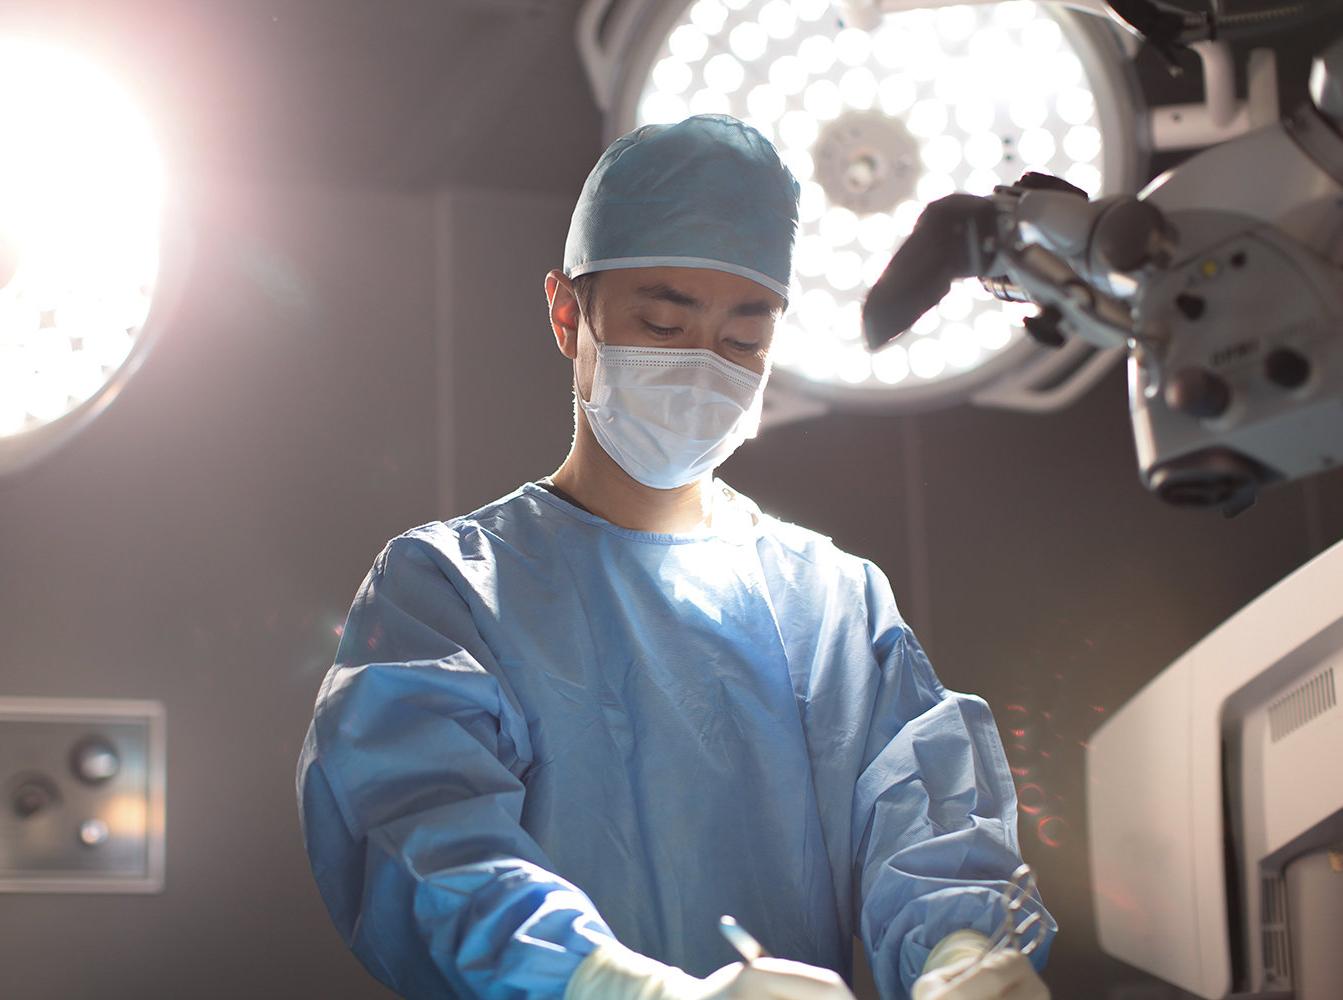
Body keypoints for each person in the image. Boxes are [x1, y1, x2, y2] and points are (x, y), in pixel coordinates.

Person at [297, 114, 1054, 1000]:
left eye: (744, 340)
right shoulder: (452, 590)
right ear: (567, 314)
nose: (702, 366)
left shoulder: (832, 604)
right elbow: (421, 836)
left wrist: (964, 956)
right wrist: (615, 987)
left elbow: (928, 817)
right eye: (663, 322)